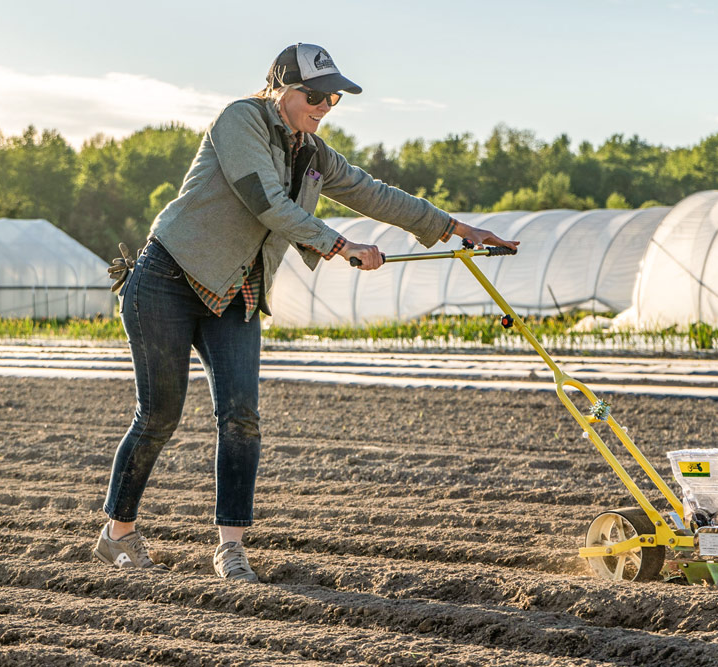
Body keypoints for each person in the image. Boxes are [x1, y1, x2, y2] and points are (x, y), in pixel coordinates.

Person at [94, 43, 519, 582]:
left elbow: (373, 192)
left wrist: (460, 229)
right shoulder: (239, 121)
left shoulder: (313, 154)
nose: (323, 106)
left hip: (236, 291)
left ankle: (231, 546)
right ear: (279, 87)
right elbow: (266, 200)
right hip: (166, 280)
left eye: (333, 98)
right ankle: (118, 534)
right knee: (160, 415)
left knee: (241, 416)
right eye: (314, 95)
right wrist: (341, 246)